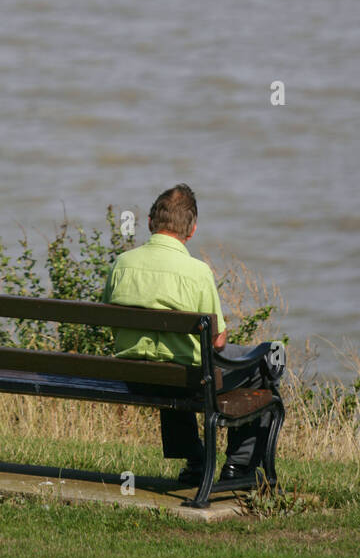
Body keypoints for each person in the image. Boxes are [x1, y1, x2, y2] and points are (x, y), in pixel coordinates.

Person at [101, 182, 277, 484]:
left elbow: (108, 315)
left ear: (149, 223)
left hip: (136, 378)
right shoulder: (197, 272)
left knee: (171, 361)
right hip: (183, 380)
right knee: (261, 363)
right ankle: (239, 466)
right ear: (191, 230)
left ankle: (195, 461)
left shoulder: (122, 264)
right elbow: (218, 341)